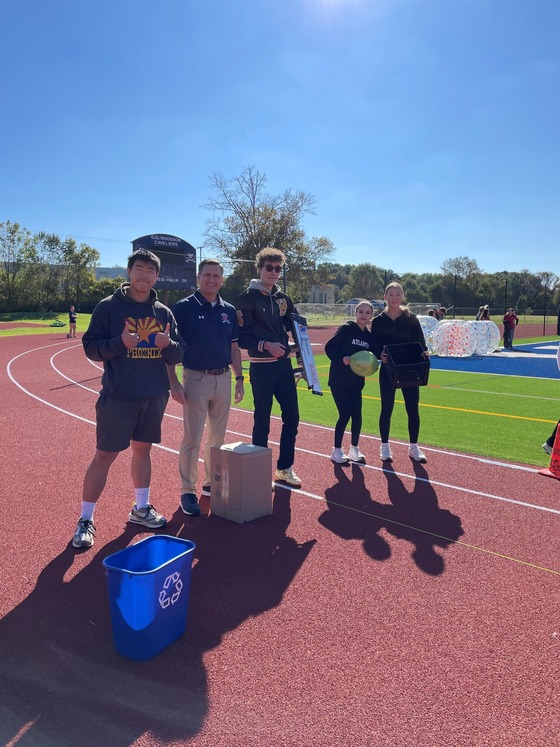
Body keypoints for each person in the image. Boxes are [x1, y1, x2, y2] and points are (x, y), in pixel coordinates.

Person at [72, 249, 185, 550]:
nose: (144, 275)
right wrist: (119, 343)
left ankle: (141, 509)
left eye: (150, 270)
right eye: (139, 268)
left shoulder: (163, 312)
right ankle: (85, 519)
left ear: (157, 276)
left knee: (143, 451)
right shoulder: (108, 308)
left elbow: (179, 352)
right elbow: (91, 348)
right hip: (118, 397)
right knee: (104, 456)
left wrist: (168, 344)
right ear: (128, 271)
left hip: (153, 396)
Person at [168, 259, 245, 517]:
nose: (212, 280)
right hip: (195, 379)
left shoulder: (229, 310)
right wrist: (173, 381)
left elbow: (234, 348)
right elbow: (169, 348)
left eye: (216, 276)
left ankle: (212, 483)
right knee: (192, 438)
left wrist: (239, 379)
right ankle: (187, 490)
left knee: (218, 439)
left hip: (223, 378)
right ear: (199, 277)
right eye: (207, 275)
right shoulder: (183, 308)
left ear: (222, 279)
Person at [236, 247, 301, 487]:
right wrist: (266, 345)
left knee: (292, 417)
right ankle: (260, 470)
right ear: (260, 269)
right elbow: (242, 338)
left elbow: (295, 327)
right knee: (262, 418)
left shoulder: (284, 298)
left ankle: (284, 468)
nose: (273, 273)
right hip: (261, 368)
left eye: (278, 269)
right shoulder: (247, 298)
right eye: (269, 268)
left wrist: (303, 359)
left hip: (283, 367)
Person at [370, 282, 429, 463]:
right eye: (391, 295)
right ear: (385, 297)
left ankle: (413, 447)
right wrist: (379, 354)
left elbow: (420, 341)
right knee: (386, 408)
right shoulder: (378, 321)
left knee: (412, 408)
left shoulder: (411, 318)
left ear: (402, 296)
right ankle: (385, 446)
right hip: (388, 369)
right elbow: (374, 345)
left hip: (409, 369)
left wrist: (424, 352)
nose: (394, 298)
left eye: (398, 294)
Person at [325, 300, 373, 464]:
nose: (364, 315)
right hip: (339, 380)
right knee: (345, 413)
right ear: (356, 313)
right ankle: (336, 450)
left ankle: (354, 449)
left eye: (367, 313)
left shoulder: (368, 336)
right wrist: (341, 358)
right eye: (361, 312)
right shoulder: (346, 329)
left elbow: (370, 358)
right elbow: (329, 348)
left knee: (357, 415)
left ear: (371, 316)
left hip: (356, 382)